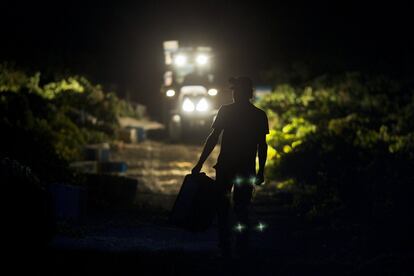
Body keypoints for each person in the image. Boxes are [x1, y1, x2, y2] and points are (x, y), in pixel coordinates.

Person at [192, 76, 269, 258]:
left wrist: (200, 163)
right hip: (244, 169)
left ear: (246, 93)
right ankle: (239, 245)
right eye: (234, 90)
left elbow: (213, 138)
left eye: (237, 90)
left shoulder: (227, 111)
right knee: (240, 207)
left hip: (227, 167)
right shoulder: (258, 115)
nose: (235, 94)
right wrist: (260, 171)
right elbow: (262, 145)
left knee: (224, 206)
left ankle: (226, 244)